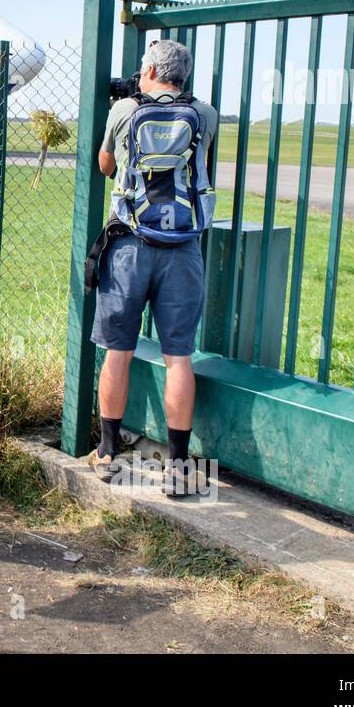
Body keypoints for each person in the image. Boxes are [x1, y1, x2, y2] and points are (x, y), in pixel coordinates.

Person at [88, 39, 217, 496]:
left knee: (118, 352)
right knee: (178, 357)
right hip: (182, 247)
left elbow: (106, 165)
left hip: (130, 245)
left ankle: (107, 454)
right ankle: (179, 466)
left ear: (148, 71)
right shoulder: (205, 114)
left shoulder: (124, 110)